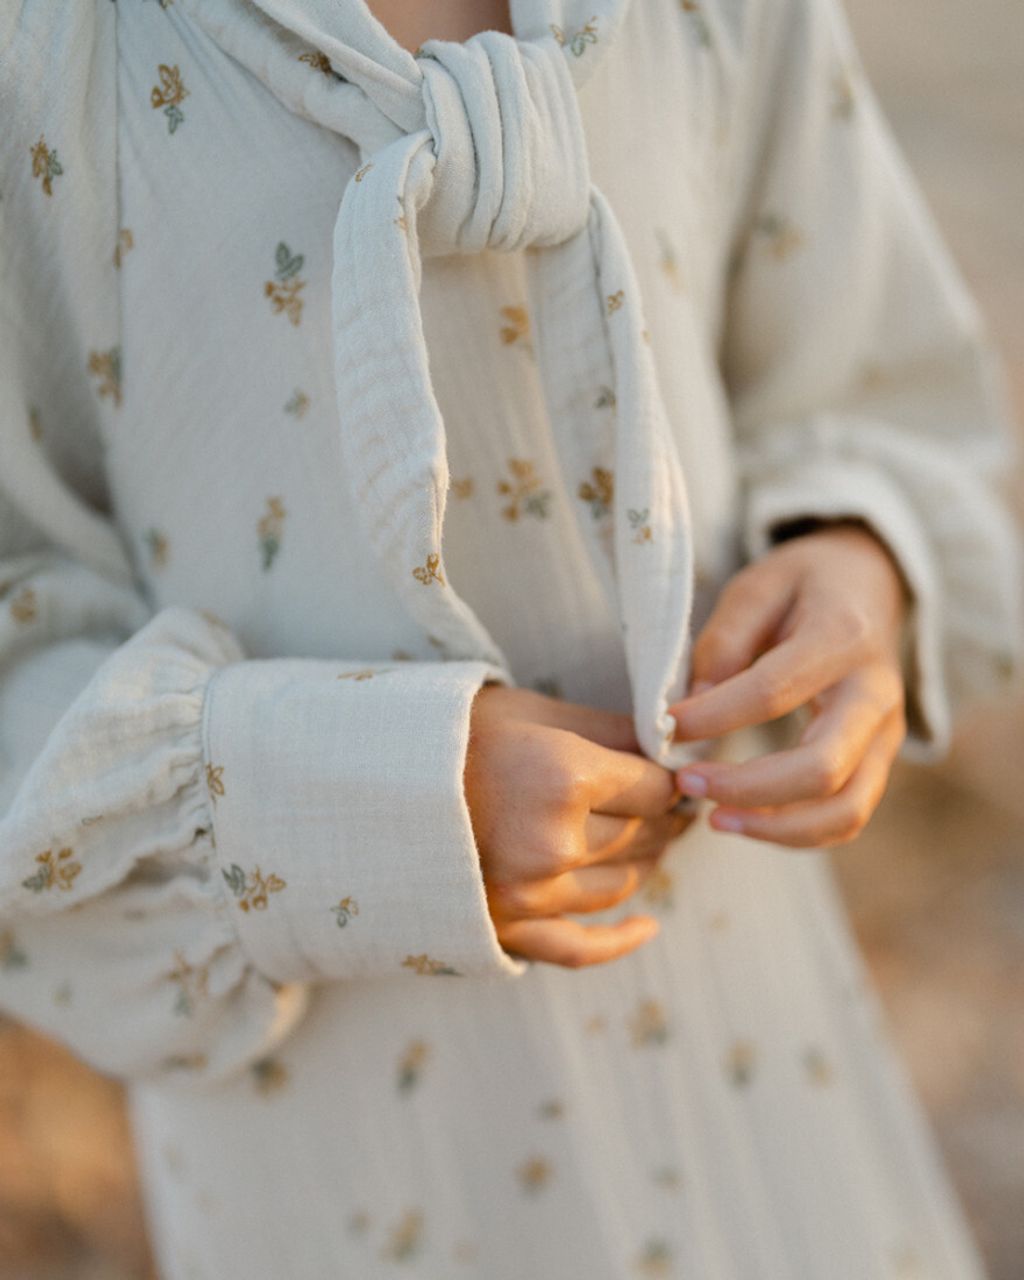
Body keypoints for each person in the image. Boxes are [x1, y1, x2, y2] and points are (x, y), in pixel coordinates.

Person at [0, 0, 1020, 1276]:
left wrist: (856, 567)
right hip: (361, 1165)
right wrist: (361, 807)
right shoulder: (51, 53)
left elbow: (870, 371)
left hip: (760, 1072)